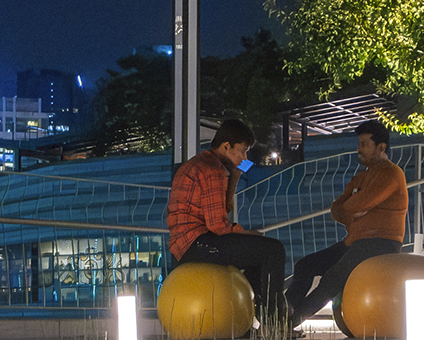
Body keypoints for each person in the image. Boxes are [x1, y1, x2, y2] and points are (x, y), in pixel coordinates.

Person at [287, 119, 409, 326]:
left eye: (364, 144)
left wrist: (354, 207)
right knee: (305, 266)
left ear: (381, 147)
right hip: (354, 242)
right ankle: (282, 314)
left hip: (381, 243)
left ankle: (288, 323)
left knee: (333, 278)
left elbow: (357, 203)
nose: (359, 149)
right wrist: (353, 213)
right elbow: (337, 208)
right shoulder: (360, 177)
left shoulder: (391, 173)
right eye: (359, 144)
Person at [166, 117, 285, 326]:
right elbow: (218, 226)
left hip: (186, 244)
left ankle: (261, 319)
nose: (245, 157)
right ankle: (275, 323)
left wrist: (236, 174)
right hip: (198, 242)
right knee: (273, 250)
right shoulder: (212, 170)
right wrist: (247, 233)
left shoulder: (200, 163)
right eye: (243, 151)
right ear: (226, 146)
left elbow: (223, 208)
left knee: (257, 254)